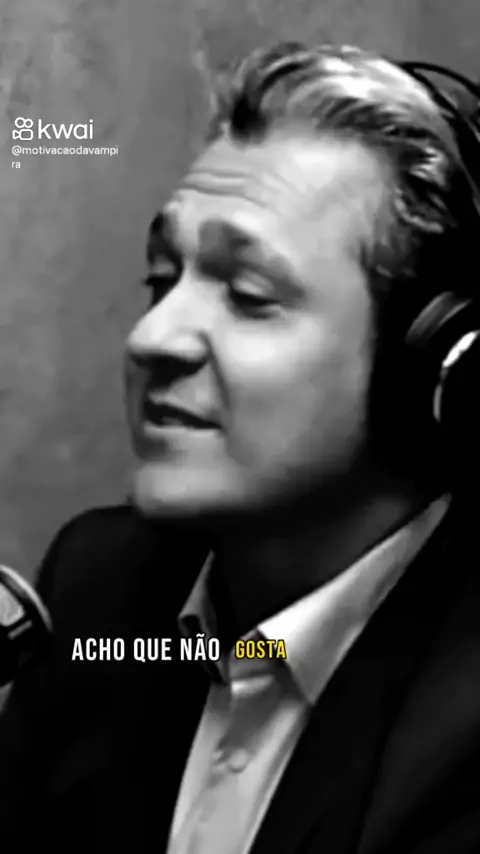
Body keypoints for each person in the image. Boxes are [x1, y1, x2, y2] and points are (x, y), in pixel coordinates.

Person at [1, 40, 480, 854]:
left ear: (429, 365)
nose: (153, 337)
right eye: (161, 280)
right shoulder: (99, 592)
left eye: (250, 296)